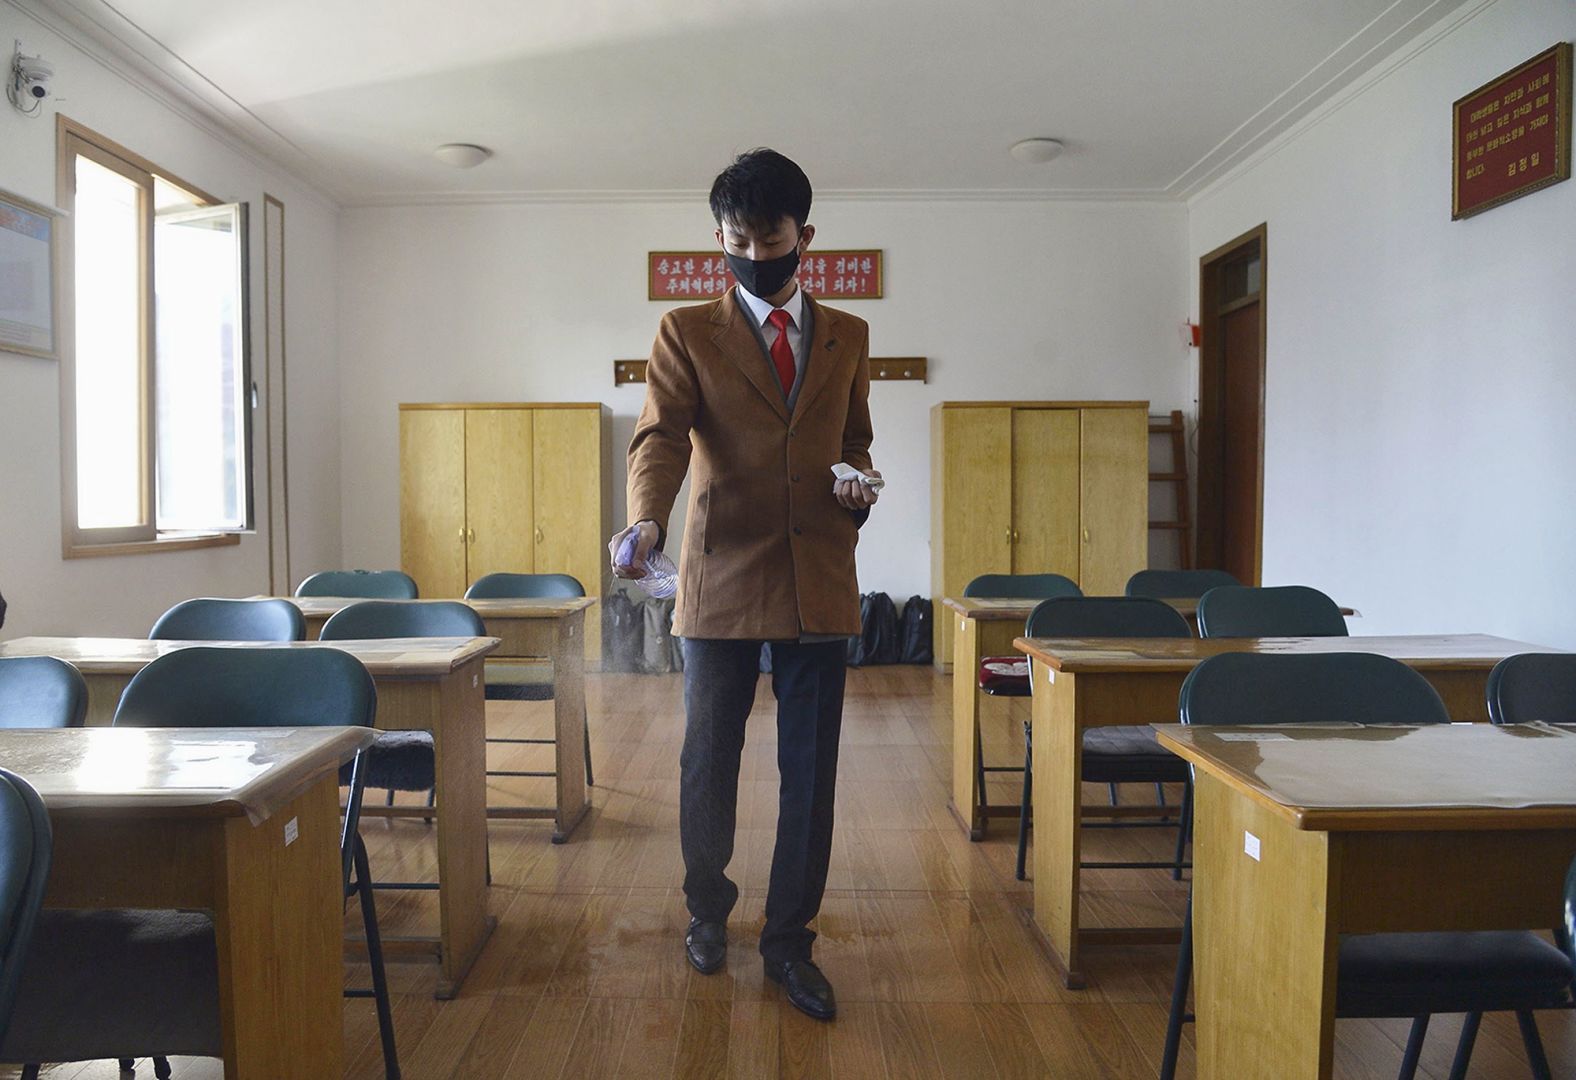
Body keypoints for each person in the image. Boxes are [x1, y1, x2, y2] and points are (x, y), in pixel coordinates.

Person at [608, 148, 880, 1021]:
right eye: (738, 237)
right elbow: (660, 438)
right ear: (719, 237)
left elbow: (857, 441)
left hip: (819, 577)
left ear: (806, 237)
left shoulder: (848, 334)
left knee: (811, 771)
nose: (755, 251)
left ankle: (791, 942)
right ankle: (706, 911)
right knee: (707, 762)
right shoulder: (687, 330)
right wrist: (648, 518)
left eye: (771, 236)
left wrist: (857, 483)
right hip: (720, 571)